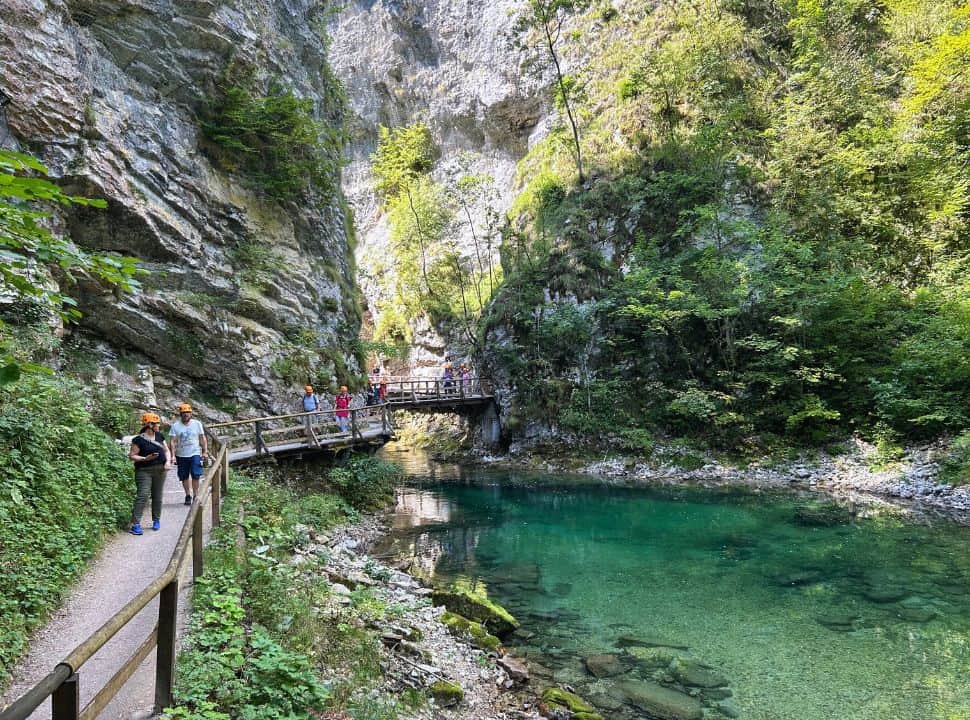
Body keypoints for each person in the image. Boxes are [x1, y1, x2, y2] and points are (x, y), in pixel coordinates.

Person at [128, 412, 171, 535]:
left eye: (158, 423)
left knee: (158, 496)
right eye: (156, 423)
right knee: (143, 494)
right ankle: (135, 523)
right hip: (144, 471)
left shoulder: (160, 436)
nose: (158, 425)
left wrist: (168, 461)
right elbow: (132, 456)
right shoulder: (138, 440)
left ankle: (156, 519)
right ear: (149, 425)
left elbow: (167, 451)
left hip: (160, 470)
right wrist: (145, 459)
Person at [168, 403, 208, 505]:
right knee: (184, 476)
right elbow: (172, 441)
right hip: (181, 454)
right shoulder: (175, 426)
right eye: (184, 413)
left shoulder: (197, 424)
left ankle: (195, 494)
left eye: (188, 412)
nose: (186, 414)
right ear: (180, 414)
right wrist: (172, 456)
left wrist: (205, 451)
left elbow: (202, 437)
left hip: (195, 453)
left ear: (191, 414)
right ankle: (187, 495)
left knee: (196, 474)